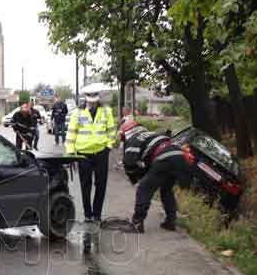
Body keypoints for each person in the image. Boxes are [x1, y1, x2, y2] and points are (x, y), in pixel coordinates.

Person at [119, 119, 192, 233]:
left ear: (126, 133)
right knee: (166, 189)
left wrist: (135, 179)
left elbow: (130, 164)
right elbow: (150, 157)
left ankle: (137, 224)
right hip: (180, 156)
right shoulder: (150, 134)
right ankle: (170, 222)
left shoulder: (132, 140)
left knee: (143, 188)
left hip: (164, 158)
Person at [66, 90, 116, 223]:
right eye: (90, 100)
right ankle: (88, 214)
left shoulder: (106, 111)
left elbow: (111, 131)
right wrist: (70, 153)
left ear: (98, 98)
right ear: (86, 99)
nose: (92, 103)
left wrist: (108, 147)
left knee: (101, 184)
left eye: (94, 100)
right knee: (85, 185)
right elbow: (71, 133)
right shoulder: (78, 112)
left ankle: (97, 214)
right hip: (84, 154)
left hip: (101, 152)